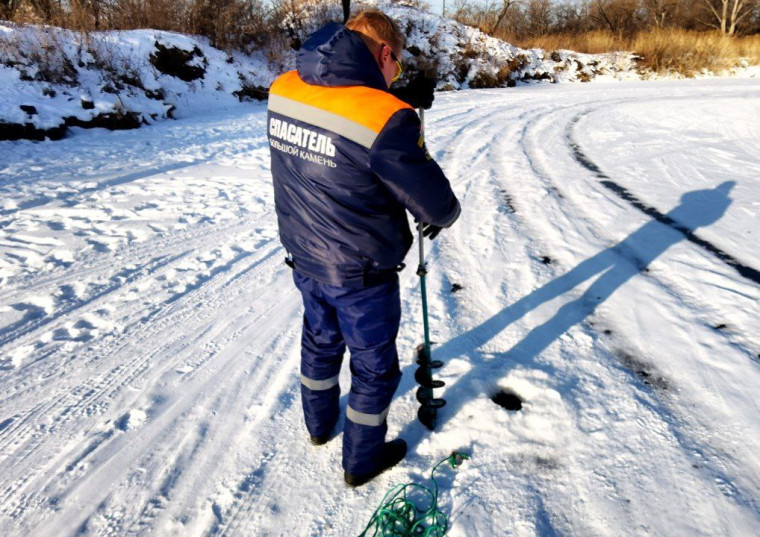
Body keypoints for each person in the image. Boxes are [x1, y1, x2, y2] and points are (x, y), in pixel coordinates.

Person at [267, 9, 461, 487]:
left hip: (304, 253)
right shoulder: (385, 116)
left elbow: (338, 121)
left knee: (319, 341)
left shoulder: (284, 88)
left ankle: (317, 427)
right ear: (386, 54)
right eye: (396, 68)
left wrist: (390, 97)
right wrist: (402, 119)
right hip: (361, 269)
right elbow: (438, 207)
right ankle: (361, 462)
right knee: (374, 368)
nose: (397, 76)